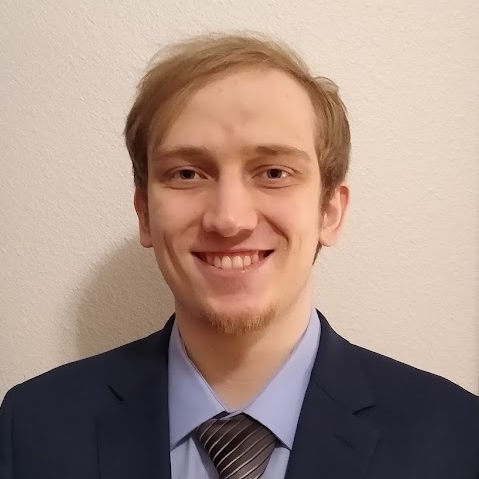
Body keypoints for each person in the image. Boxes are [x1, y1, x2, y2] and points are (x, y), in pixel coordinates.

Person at [1, 33, 478, 479]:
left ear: (330, 211)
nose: (229, 219)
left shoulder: (457, 437)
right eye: (187, 174)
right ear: (145, 215)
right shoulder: (31, 427)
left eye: (273, 171)